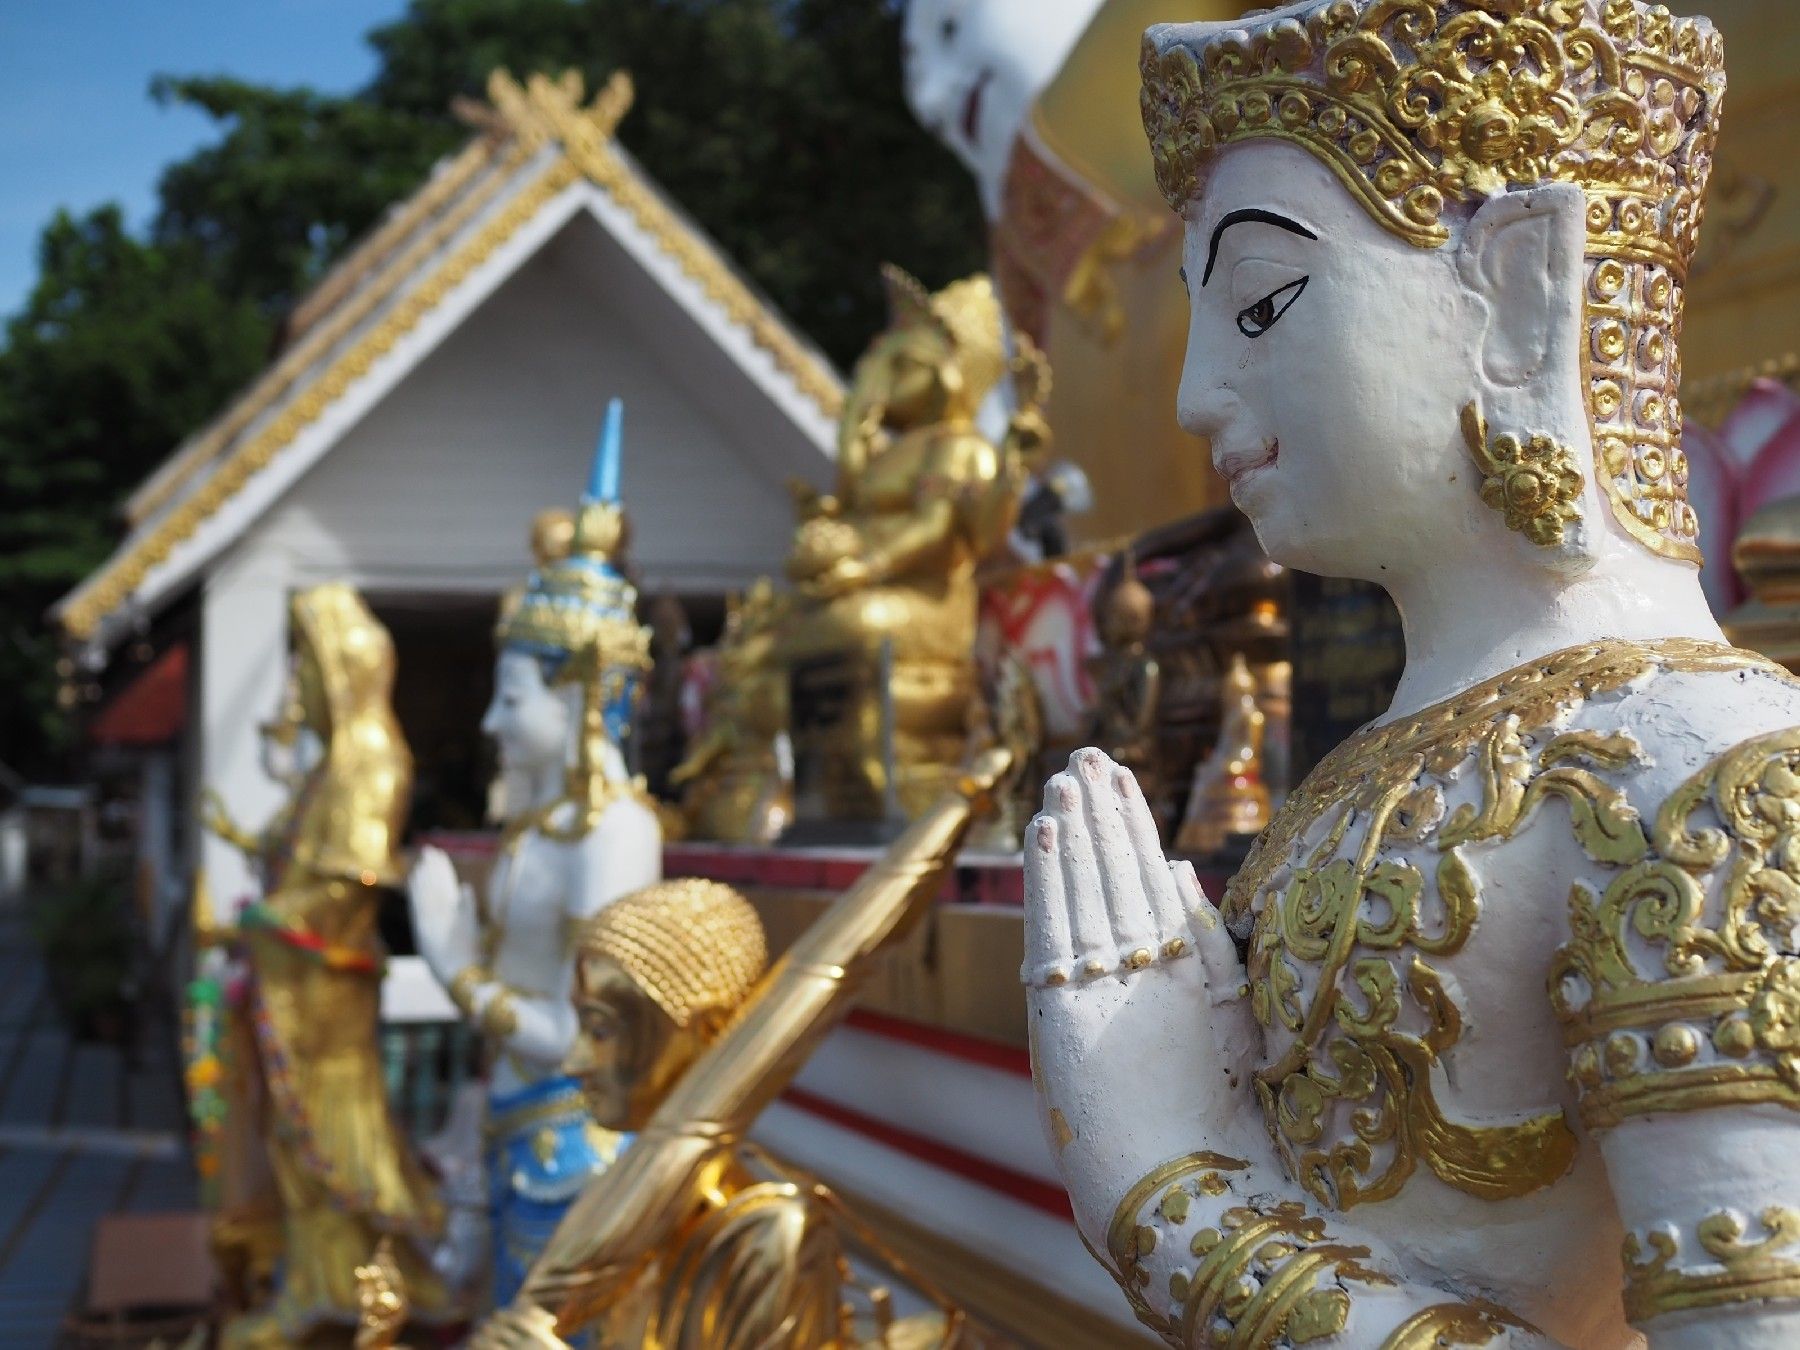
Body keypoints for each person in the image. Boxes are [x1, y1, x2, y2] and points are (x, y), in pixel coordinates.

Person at [1026, 2, 1800, 1345]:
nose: (1196, 394)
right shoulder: (1369, 771)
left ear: (1514, 286)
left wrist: (1173, 1196)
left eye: (1264, 301)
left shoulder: (1710, 782)